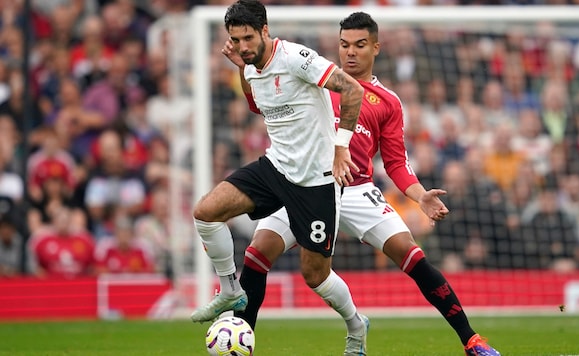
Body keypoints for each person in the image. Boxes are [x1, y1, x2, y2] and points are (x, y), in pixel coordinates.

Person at [227, 11, 500, 356]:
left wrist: (419, 196)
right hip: (304, 185)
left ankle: (471, 340)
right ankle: (241, 345)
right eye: (344, 45)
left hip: (357, 190)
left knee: (412, 255)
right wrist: (242, 68)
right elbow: (258, 103)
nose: (350, 53)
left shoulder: (387, 102)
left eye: (359, 45)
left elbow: (396, 162)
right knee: (255, 255)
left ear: (376, 48)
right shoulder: (315, 76)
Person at [191, 1, 368, 354]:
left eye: (248, 38)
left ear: (265, 31)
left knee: (315, 275)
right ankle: (230, 290)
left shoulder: (297, 58)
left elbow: (353, 90)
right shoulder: (250, 65)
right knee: (206, 213)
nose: (242, 46)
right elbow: (258, 105)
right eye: (235, 39)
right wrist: (242, 68)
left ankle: (356, 325)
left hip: (316, 180)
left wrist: (341, 147)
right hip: (276, 169)